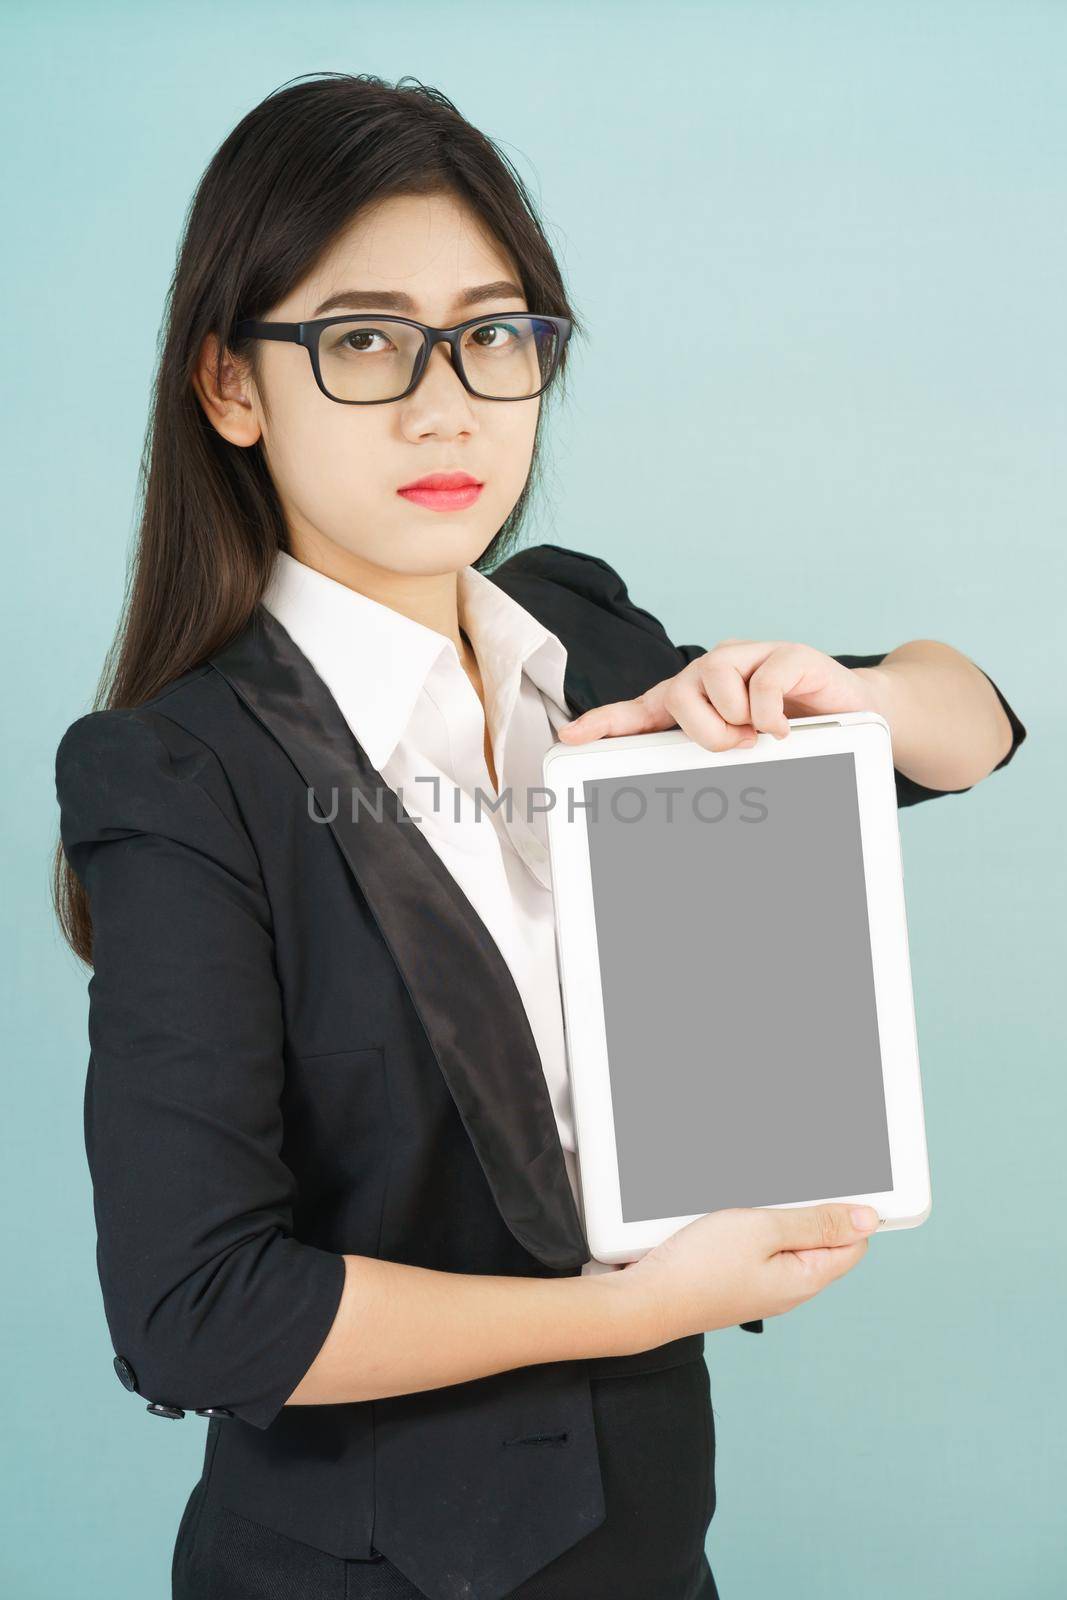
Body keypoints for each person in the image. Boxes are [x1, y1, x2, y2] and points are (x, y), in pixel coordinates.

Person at [52, 72, 1027, 1600]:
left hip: (644, 1542)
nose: (447, 403)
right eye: (364, 339)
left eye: (493, 334)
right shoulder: (180, 771)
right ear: (232, 387)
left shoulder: (576, 635)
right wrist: (633, 1306)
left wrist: (856, 695)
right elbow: (201, 1309)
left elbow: (977, 732)